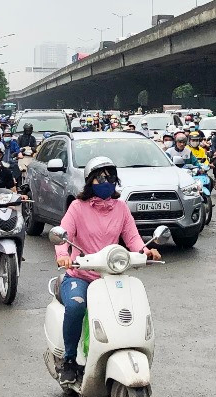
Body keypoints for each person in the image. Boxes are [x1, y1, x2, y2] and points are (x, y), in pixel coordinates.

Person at [53, 157, 161, 384]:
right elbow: (63, 233)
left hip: (111, 276)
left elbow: (132, 237)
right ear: (90, 181)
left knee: (128, 310)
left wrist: (146, 251)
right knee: (75, 306)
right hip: (80, 276)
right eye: (100, 177)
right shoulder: (78, 207)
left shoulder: (121, 208)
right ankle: (70, 361)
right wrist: (63, 256)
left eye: (110, 176)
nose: (106, 181)